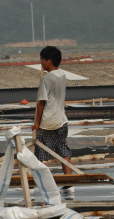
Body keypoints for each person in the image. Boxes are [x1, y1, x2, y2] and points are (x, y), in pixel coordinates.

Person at [31, 46, 74, 194]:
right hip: (61, 119)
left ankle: (36, 185)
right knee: (63, 149)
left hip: (48, 121)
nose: (41, 62)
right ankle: (69, 183)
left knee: (40, 154)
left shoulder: (47, 78)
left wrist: (37, 123)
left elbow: (41, 102)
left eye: (42, 59)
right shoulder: (62, 75)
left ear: (49, 61)